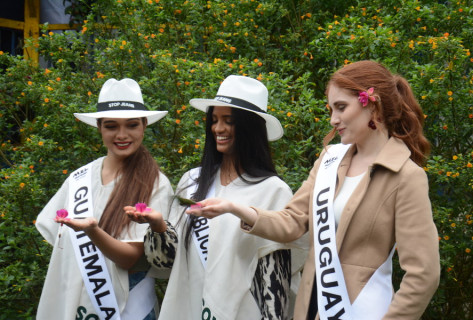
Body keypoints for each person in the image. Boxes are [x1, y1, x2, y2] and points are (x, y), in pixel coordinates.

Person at [187, 61, 441, 320]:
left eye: (341, 107)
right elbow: (292, 222)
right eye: (331, 109)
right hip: (311, 307)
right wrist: (234, 208)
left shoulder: (406, 176)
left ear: (372, 104)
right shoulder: (329, 160)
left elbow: (424, 274)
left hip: (363, 311)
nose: (333, 119)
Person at [126, 75, 308, 319]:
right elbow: (167, 263)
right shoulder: (192, 182)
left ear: (250, 127)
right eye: (214, 120)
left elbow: (274, 279)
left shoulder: (273, 190)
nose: (218, 128)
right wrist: (158, 226)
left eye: (228, 121)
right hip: (187, 307)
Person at [35, 78, 175, 320]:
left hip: (128, 308)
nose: (122, 135)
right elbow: (64, 250)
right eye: (111, 126)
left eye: (132, 125)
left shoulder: (155, 183)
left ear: (144, 126)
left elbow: (130, 257)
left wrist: (93, 231)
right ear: (99, 127)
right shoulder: (79, 178)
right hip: (75, 302)